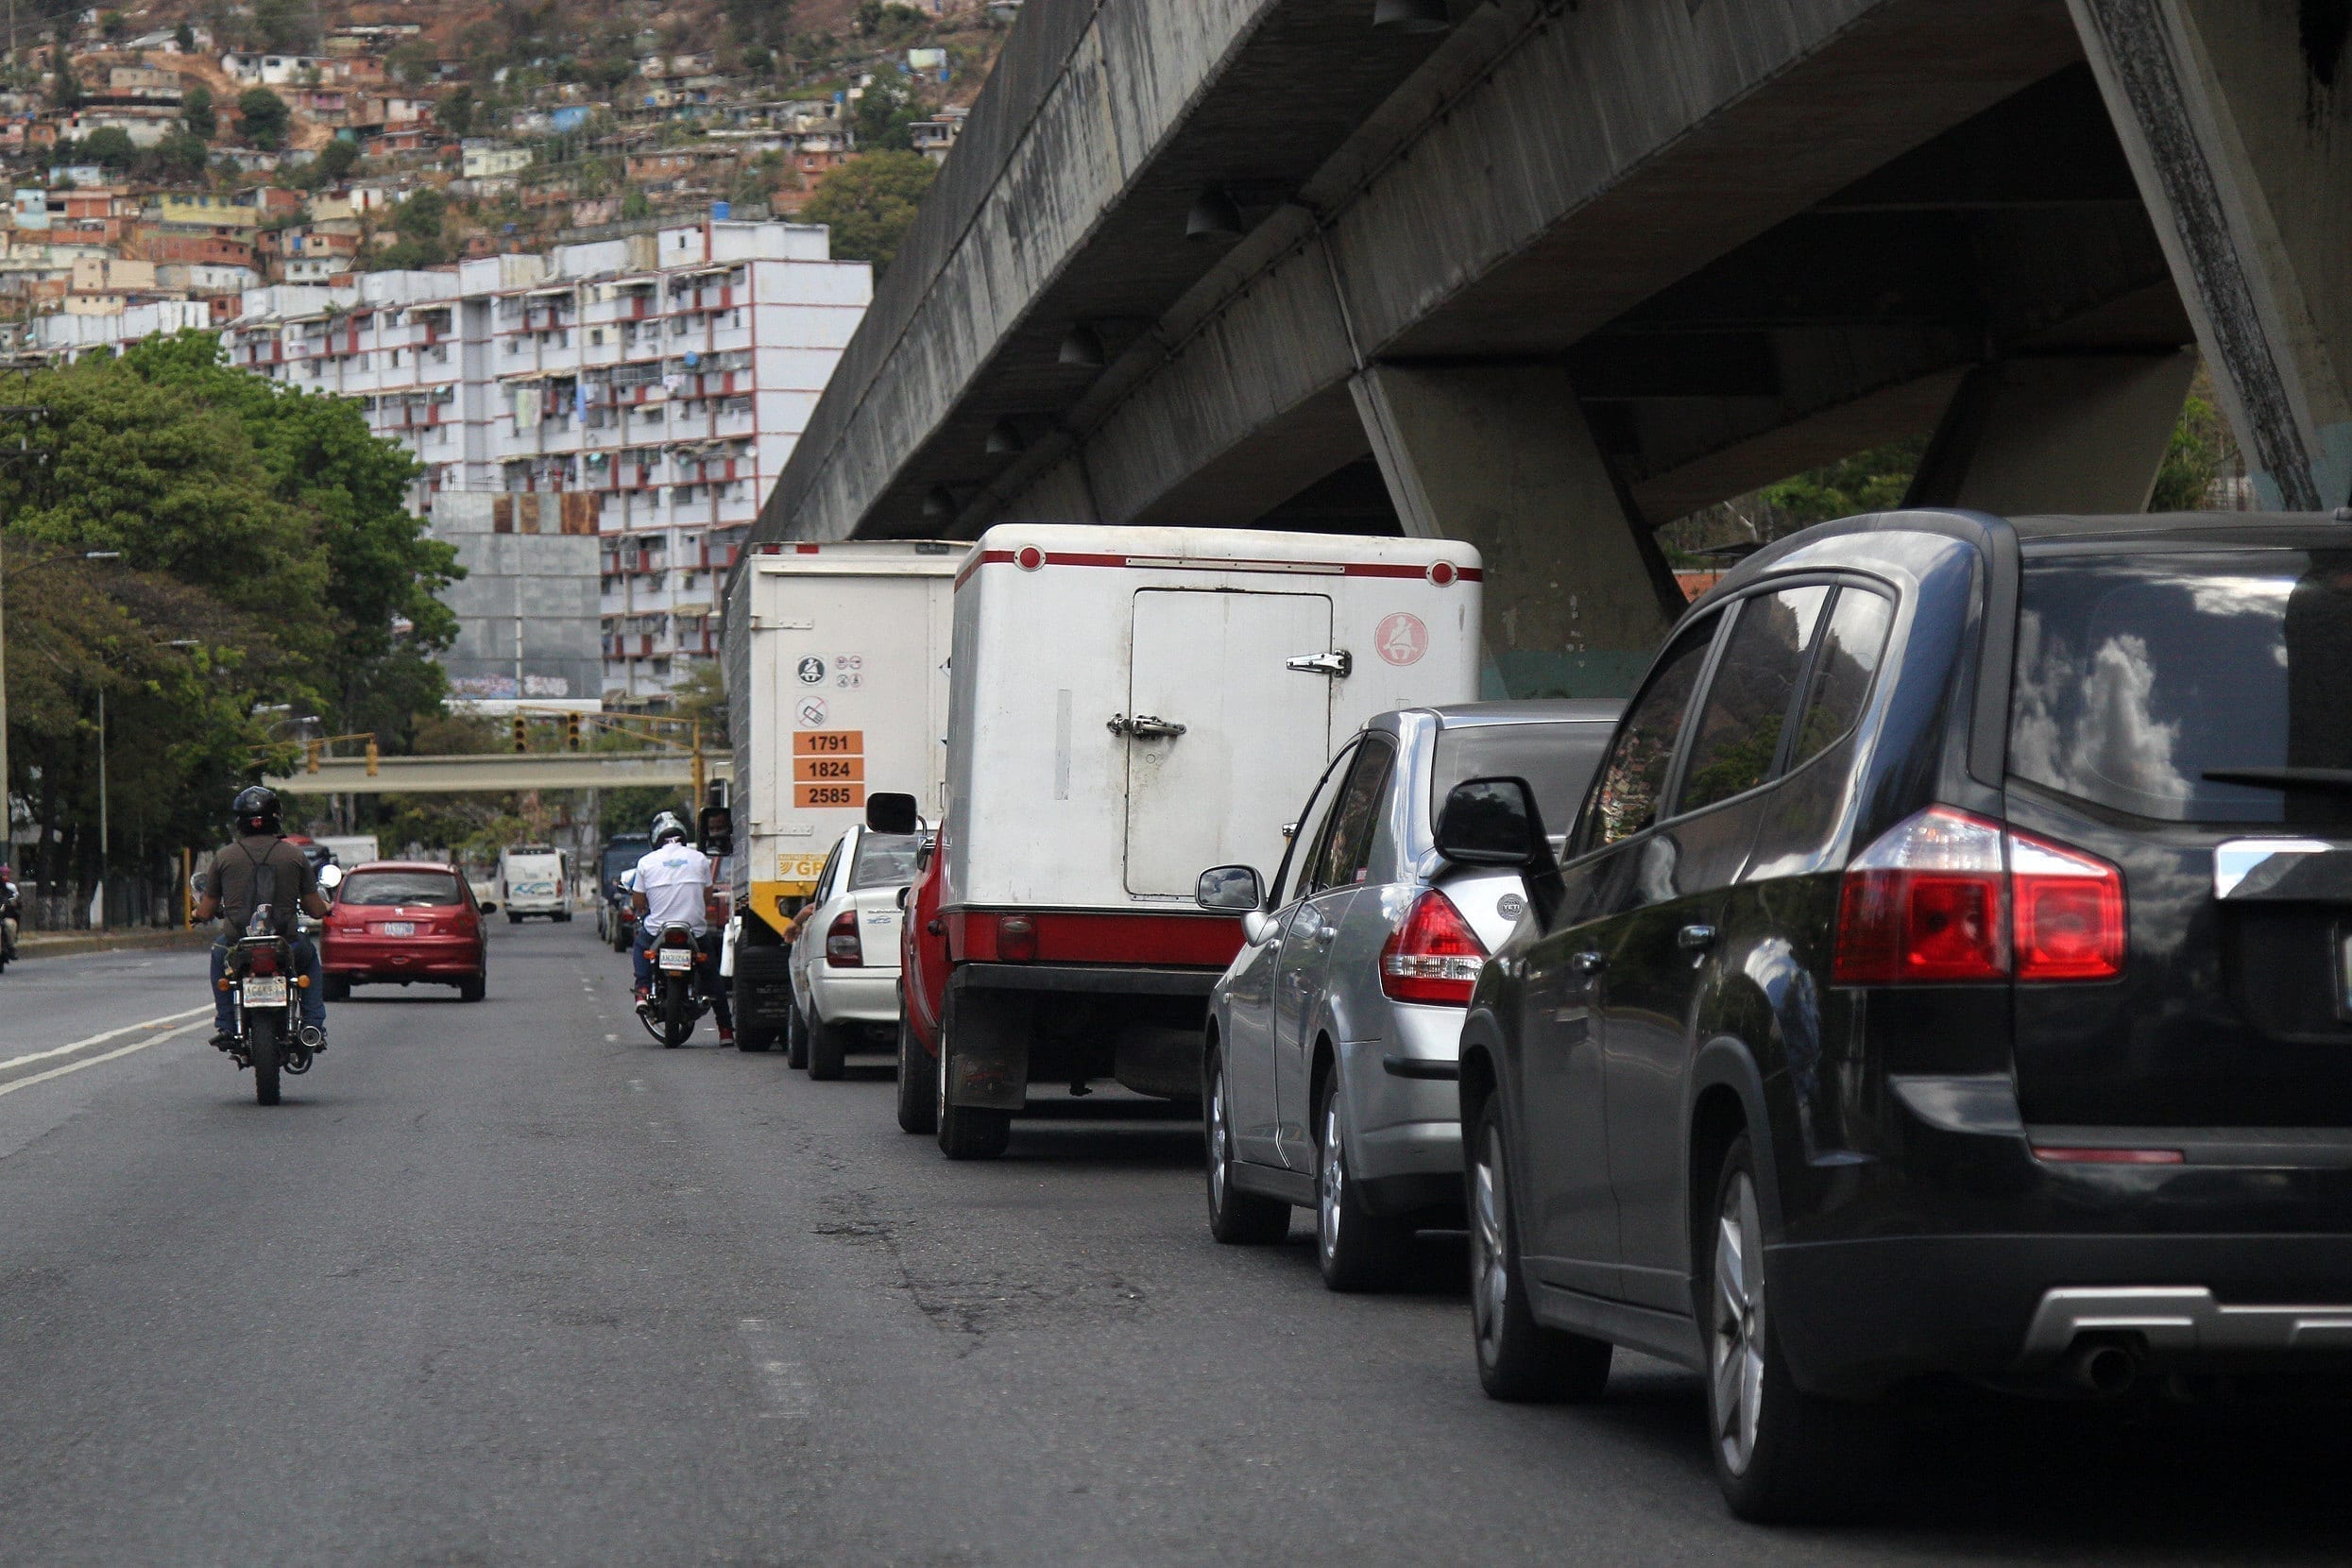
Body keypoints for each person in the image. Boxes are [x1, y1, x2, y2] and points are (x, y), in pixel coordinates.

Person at [195, 785, 330, 1052]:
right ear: (276, 818)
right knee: (310, 960)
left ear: (239, 822)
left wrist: (197, 914)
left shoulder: (224, 857)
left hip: (239, 945)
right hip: (286, 943)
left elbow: (207, 911)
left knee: (218, 953)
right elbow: (315, 909)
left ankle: (227, 1025)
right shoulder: (294, 855)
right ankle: (313, 1025)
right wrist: (327, 905)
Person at [630, 810, 733, 1044]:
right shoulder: (699, 859)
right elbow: (707, 897)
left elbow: (637, 903)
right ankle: (725, 1030)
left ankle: (643, 991)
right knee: (711, 975)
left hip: (658, 929)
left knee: (640, 948)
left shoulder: (646, 862)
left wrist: (648, 905)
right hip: (693, 930)